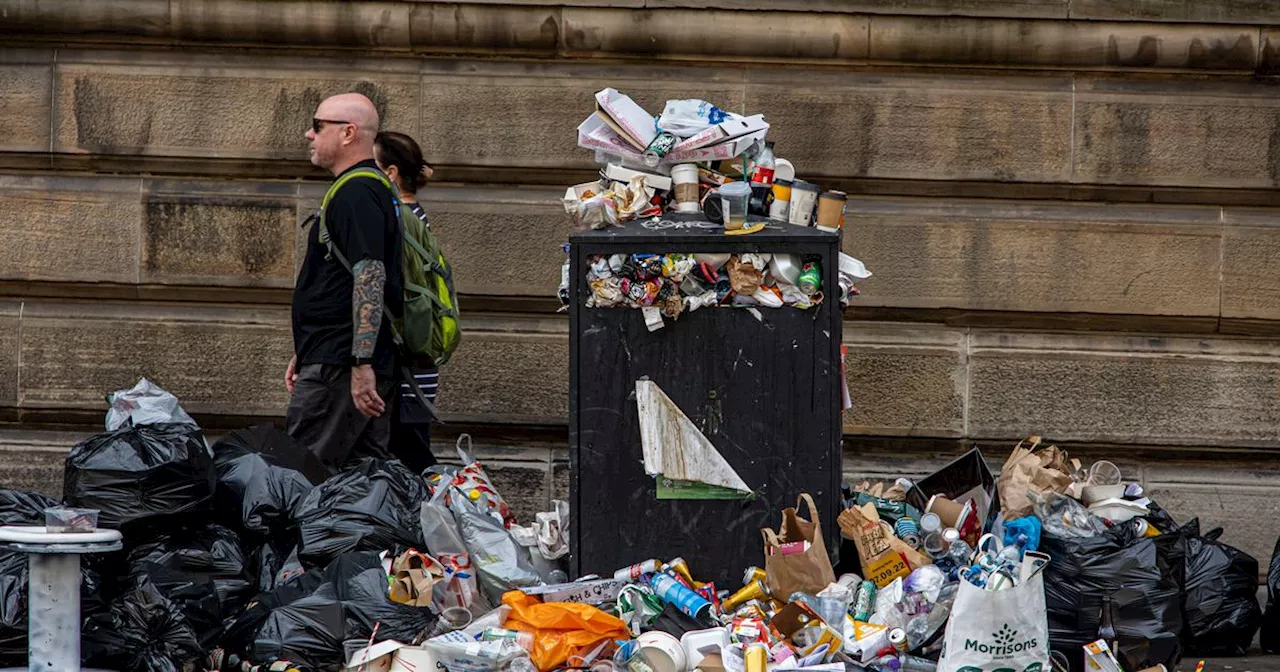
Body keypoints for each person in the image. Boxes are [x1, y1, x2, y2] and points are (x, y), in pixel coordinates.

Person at [286, 93, 404, 468]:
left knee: (304, 476)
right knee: (358, 484)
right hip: (335, 357)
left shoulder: (357, 192)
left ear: (348, 133)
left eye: (318, 125)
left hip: (340, 367)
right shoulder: (363, 188)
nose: (309, 133)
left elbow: (370, 275)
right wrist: (306, 349)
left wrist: (359, 361)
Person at [373, 130, 439, 473]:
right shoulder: (416, 216)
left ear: (391, 173)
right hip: (418, 368)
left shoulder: (398, 218)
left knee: (410, 469)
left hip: (404, 372)